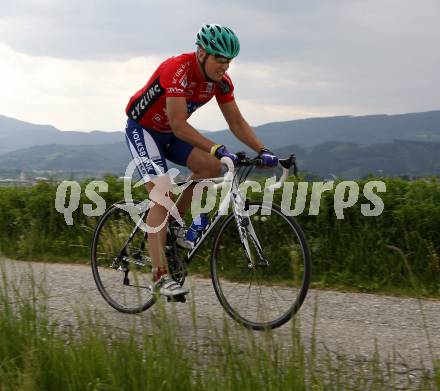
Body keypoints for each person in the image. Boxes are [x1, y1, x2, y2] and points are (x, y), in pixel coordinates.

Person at [125, 23, 279, 298]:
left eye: (229, 61)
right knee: (162, 195)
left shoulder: (220, 82)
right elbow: (179, 124)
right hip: (145, 131)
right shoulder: (177, 70)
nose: (225, 67)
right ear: (201, 53)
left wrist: (262, 149)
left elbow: (236, 121)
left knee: (210, 167)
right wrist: (217, 147)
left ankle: (174, 223)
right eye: (220, 59)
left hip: (170, 135)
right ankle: (159, 276)